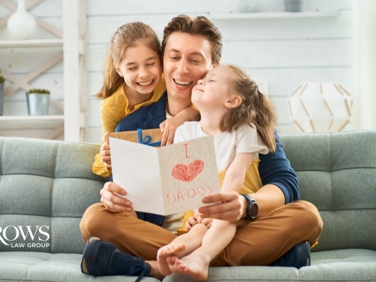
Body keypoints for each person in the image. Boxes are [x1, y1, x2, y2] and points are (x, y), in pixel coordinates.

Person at [80, 15, 323, 281]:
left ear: (213, 67)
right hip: (165, 235)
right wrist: (116, 199)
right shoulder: (133, 125)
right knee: (94, 218)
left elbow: (285, 183)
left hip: (228, 228)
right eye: (174, 57)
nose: (182, 69)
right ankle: (266, 257)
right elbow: (128, 198)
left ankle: (156, 266)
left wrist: (244, 204)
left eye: (194, 60)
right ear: (163, 62)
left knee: (307, 215)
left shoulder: (244, 119)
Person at [156, 64, 276, 281]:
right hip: (200, 209)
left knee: (224, 220)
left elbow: (236, 174)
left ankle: (201, 257)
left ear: (232, 101)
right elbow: (190, 182)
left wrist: (219, 209)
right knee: (197, 231)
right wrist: (198, 213)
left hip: (235, 207)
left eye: (210, 81)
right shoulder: (185, 131)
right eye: (203, 79)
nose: (200, 81)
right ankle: (171, 253)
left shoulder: (244, 130)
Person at [92, 21, 198, 178]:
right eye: (132, 68)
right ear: (119, 69)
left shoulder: (166, 80)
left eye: (150, 63)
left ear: (161, 61)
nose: (144, 74)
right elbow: (108, 146)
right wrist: (106, 158)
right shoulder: (110, 107)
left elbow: (208, 96)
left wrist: (181, 118)